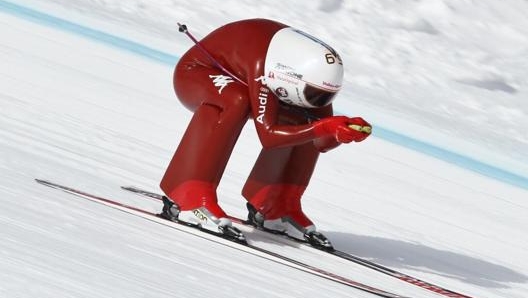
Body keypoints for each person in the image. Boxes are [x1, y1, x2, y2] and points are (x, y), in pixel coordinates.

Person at [159, 18, 372, 249]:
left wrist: (342, 132)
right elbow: (269, 136)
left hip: (252, 74)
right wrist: (325, 126)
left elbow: (320, 142)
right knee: (236, 99)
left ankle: (276, 204)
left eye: (326, 96)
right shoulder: (265, 66)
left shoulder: (307, 77)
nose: (319, 101)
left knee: (306, 114)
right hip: (197, 71)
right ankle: (188, 194)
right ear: (291, 76)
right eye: (315, 94)